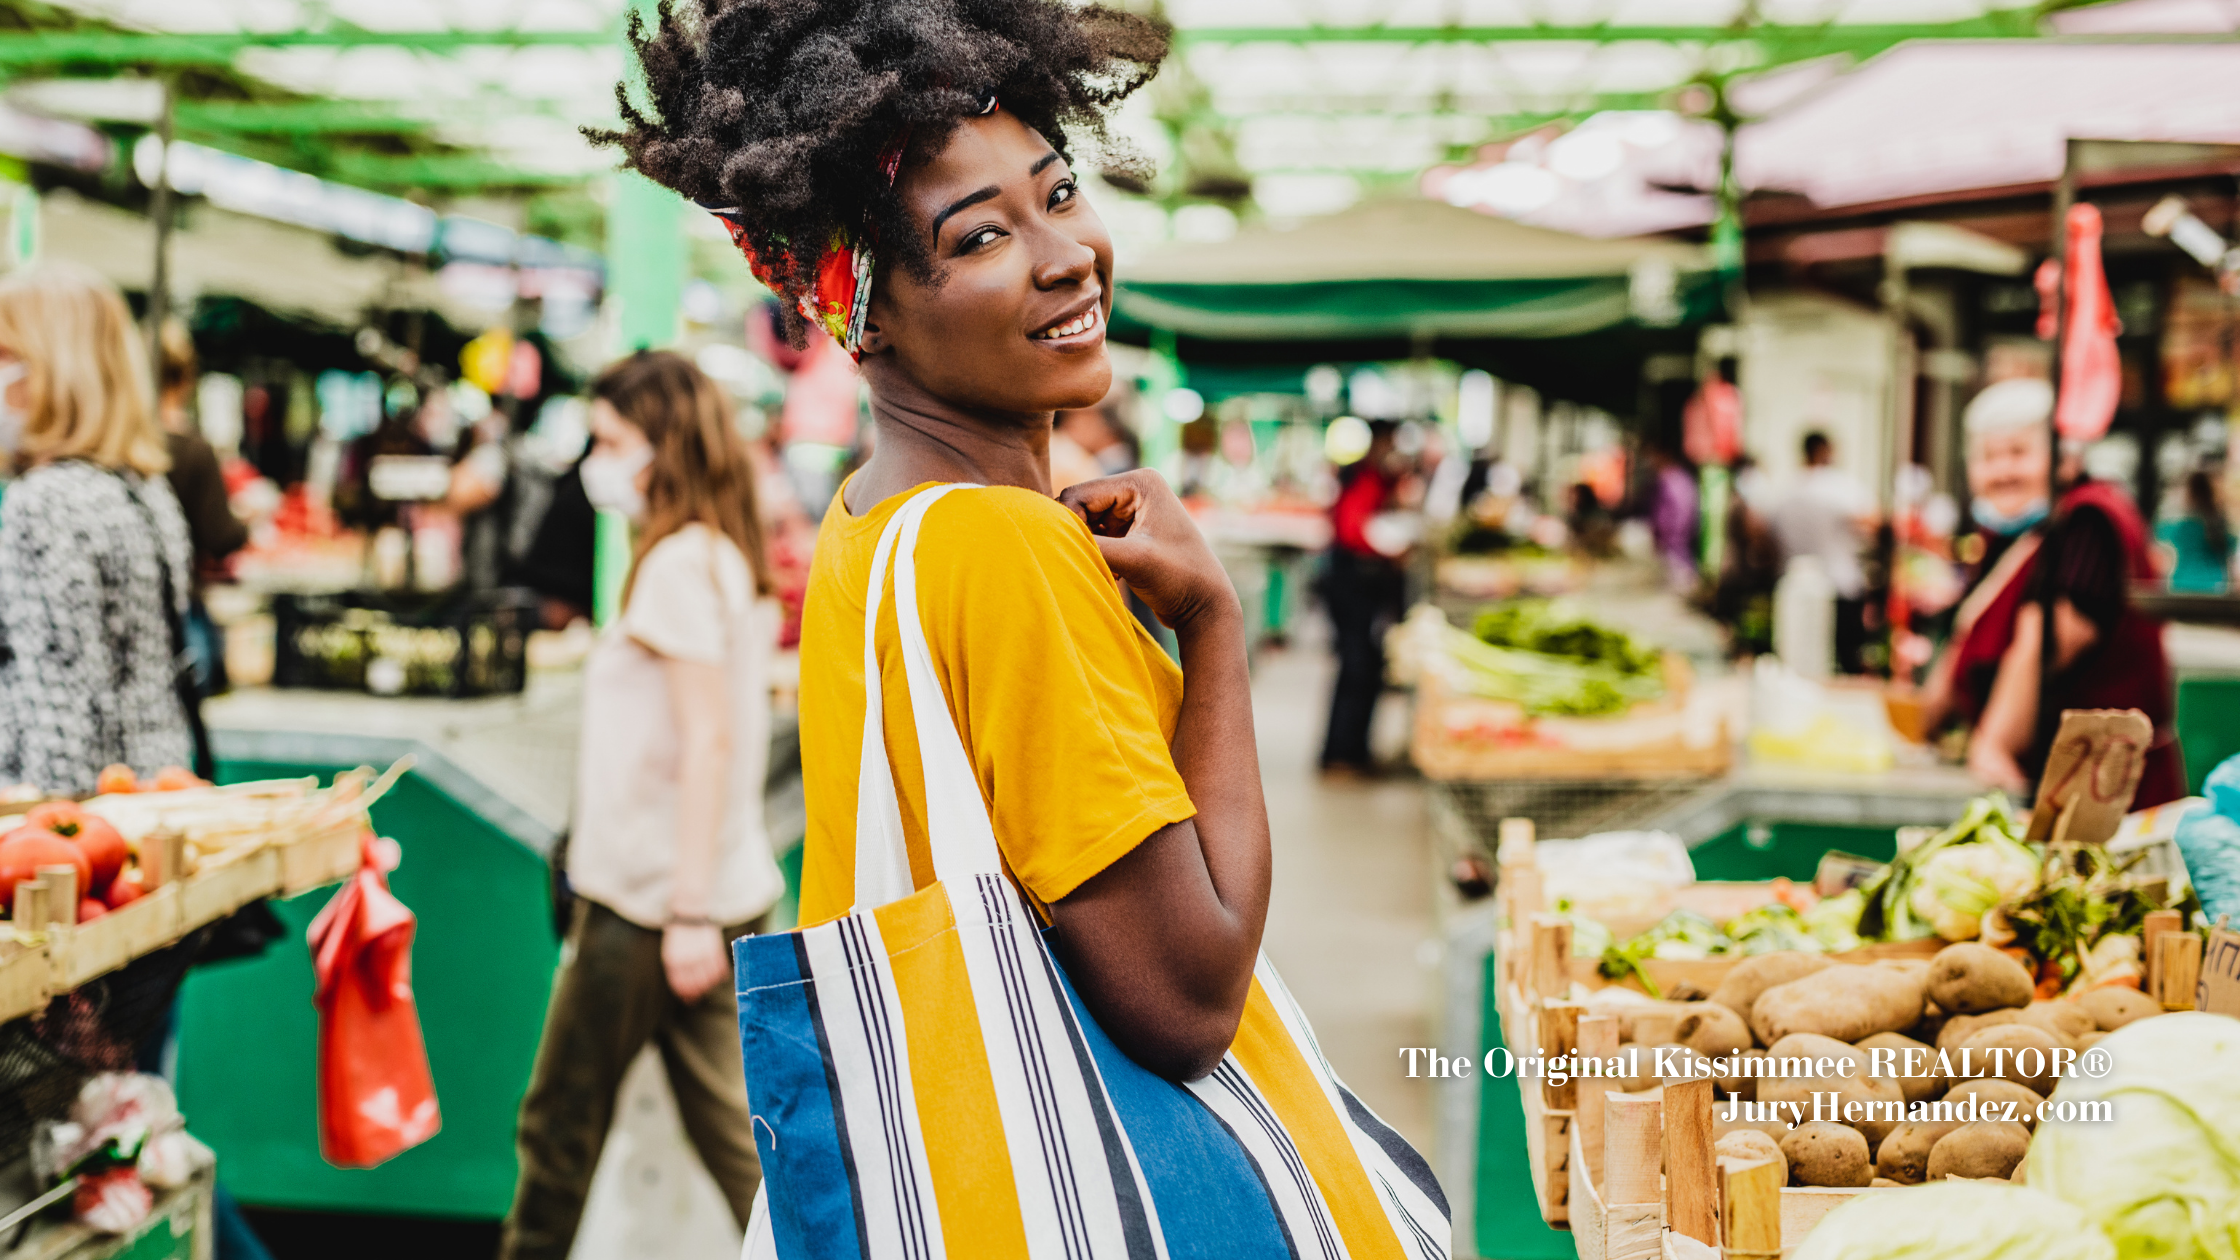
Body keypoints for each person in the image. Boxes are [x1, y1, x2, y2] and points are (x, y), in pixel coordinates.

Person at [500, 352, 785, 1260]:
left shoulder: (676, 565)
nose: (598, 459)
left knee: (558, 1129)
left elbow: (706, 739)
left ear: (662, 445)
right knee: (742, 1146)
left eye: (613, 440)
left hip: (651, 902)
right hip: (705, 892)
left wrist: (687, 910)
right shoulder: (717, 551)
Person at [1915, 378, 2183, 807]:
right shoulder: (2011, 534)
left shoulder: (2088, 521)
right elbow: (1968, 633)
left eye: (2019, 453)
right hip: (2053, 781)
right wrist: (1919, 727)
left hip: (2105, 790)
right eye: (1988, 457)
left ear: (2065, 458)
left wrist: (1994, 746)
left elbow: (2050, 637)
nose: (2003, 472)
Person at [0, 263, 196, 792]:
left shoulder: (44, 502)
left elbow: (57, 716)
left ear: (54, 369)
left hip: (73, 826)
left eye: (5, 356)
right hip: (153, 794)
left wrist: (52, 849)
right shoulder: (145, 488)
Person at [155, 320, 249, 696]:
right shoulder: (193, 448)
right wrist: (246, 520)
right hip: (183, 611)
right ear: (187, 377)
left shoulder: (124, 445)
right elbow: (221, 536)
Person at [1319, 421, 1406, 776]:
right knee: (1356, 666)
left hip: (1354, 581)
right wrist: (1391, 552)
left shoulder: (1372, 478)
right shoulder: (1364, 478)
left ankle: (1353, 752)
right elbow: (1354, 530)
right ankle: (1341, 755)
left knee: (1361, 666)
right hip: (1352, 582)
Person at [1768, 431, 1877, 673]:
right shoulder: (1839, 486)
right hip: (1840, 589)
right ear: (1825, 452)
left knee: (1797, 667)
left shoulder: (1785, 492)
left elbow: (1767, 539)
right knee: (1843, 665)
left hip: (1792, 587)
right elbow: (1872, 523)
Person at [2157, 469, 2233, 595]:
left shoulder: (2180, 526)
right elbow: (2230, 548)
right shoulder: (2220, 525)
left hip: (2182, 585)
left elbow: (2158, 534)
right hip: (2215, 586)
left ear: (2190, 493)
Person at [1643, 438, 1699, 590]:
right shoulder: (1666, 479)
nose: (1650, 461)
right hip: (1669, 546)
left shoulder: (1676, 480)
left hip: (1676, 547)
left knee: (1680, 585)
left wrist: (1671, 536)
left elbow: (1684, 513)